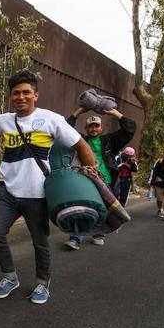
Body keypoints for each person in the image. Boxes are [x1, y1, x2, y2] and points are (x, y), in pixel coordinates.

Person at [0, 71, 96, 303]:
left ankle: (43, 284)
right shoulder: (3, 121)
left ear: (36, 95)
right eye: (16, 93)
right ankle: (9, 277)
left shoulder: (51, 119)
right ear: (10, 96)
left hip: (37, 193)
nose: (20, 97)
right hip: (7, 191)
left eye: (26, 92)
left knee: (40, 242)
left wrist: (90, 173)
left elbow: (81, 145)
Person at [63, 106, 136, 250]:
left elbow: (130, 129)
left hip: (106, 180)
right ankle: (75, 238)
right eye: (91, 126)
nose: (94, 129)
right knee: (81, 208)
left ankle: (98, 234)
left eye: (96, 126)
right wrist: (79, 112)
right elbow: (64, 129)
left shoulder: (109, 140)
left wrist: (114, 113)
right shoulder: (80, 140)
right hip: (84, 179)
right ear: (86, 128)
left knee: (103, 209)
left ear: (101, 128)